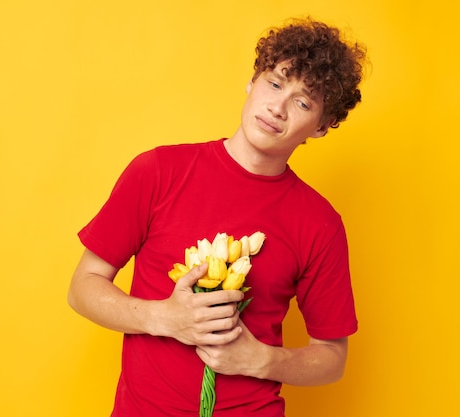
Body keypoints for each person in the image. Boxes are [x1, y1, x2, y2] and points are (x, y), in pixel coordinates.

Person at [68, 17, 366, 417]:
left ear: (322, 126)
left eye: (303, 102)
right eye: (274, 83)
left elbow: (332, 358)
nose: (276, 108)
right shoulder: (158, 171)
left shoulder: (320, 224)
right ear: (252, 82)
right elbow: (82, 288)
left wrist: (258, 359)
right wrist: (163, 318)